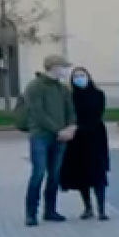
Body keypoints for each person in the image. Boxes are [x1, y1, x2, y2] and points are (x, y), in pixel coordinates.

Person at [22, 54, 76, 226]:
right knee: (38, 173)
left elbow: (71, 111)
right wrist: (58, 130)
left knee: (54, 175)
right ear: (53, 67)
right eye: (63, 67)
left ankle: (50, 210)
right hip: (41, 136)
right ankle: (31, 213)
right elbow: (38, 114)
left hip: (60, 138)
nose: (66, 70)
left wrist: (71, 127)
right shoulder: (35, 87)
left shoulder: (63, 89)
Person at [59, 66, 111, 219]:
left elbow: (97, 114)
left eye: (82, 75)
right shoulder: (70, 96)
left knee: (97, 172)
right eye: (76, 76)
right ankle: (87, 207)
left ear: (88, 77)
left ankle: (101, 209)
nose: (79, 78)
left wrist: (79, 127)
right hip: (77, 139)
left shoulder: (98, 94)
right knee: (81, 173)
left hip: (95, 136)